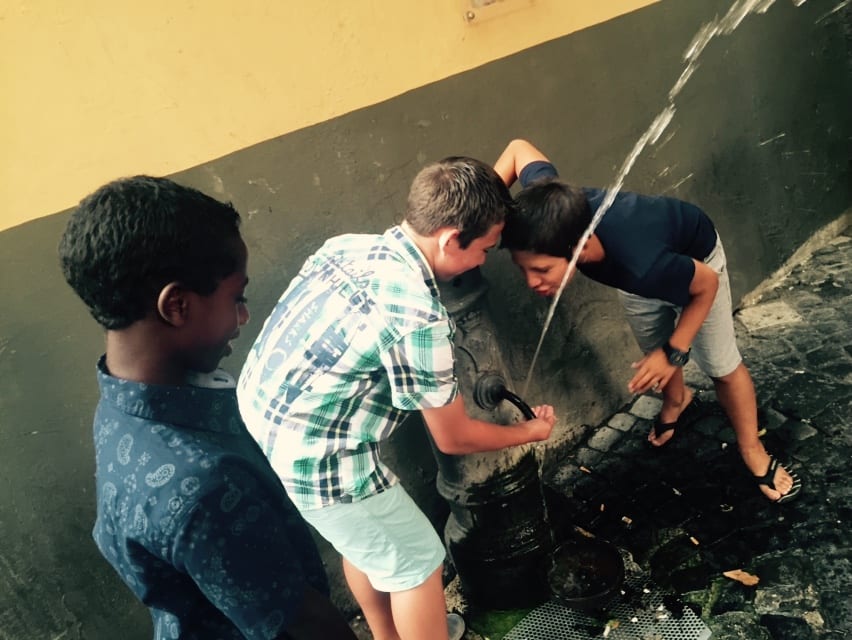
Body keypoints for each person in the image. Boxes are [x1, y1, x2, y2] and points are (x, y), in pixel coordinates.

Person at [237, 157, 557, 640]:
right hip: (319, 460)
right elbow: (452, 437)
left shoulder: (346, 247)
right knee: (417, 564)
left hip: (266, 421)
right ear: (451, 239)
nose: (483, 260)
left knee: (368, 546)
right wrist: (528, 431)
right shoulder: (418, 315)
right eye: (486, 249)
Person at [58, 176, 358, 640]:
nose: (243, 317)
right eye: (236, 298)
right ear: (176, 305)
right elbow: (302, 625)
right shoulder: (203, 485)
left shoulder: (122, 405)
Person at [494, 138, 801, 504]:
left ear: (581, 243)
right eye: (524, 269)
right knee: (651, 352)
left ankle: (753, 449)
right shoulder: (546, 205)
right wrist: (479, 226)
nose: (532, 282)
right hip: (639, 278)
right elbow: (517, 149)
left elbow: (706, 285)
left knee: (721, 365)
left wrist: (674, 350)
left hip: (697, 266)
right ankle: (677, 400)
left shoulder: (644, 261)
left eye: (541, 270)